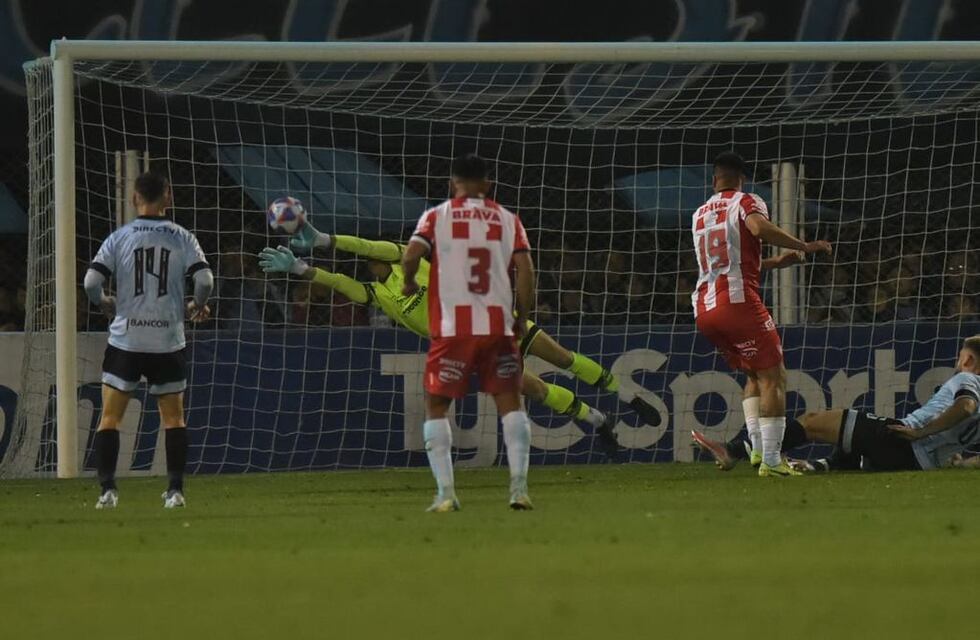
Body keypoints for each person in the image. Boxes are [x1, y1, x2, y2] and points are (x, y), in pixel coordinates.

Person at [406, 153, 534, 511]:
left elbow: (410, 254)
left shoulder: (436, 216)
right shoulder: (508, 220)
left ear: (453, 183)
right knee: (510, 404)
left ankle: (446, 494)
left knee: (436, 406)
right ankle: (519, 489)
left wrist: (409, 281)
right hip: (498, 327)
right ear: (487, 184)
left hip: (453, 332)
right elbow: (526, 270)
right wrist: (522, 317)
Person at [691, 151, 831, 477]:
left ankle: (756, 450)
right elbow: (757, 227)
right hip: (738, 305)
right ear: (743, 178)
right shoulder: (747, 200)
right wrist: (803, 245)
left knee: (754, 375)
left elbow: (725, 264)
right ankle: (772, 460)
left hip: (704, 309)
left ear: (714, 179)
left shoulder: (699, 213)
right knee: (774, 376)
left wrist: (777, 262)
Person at [83, 172, 213, 509]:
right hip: (166, 340)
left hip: (127, 339)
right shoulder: (183, 237)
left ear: (133, 199)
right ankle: (175, 492)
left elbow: (90, 281)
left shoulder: (119, 237)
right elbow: (205, 279)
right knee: (174, 419)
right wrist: (197, 305)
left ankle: (108, 491)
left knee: (110, 417)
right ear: (167, 198)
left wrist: (105, 302)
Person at [693, 335, 980, 473]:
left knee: (813, 422)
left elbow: (965, 406)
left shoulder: (968, 380)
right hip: (921, 464)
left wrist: (922, 432)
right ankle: (816, 466)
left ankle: (737, 451)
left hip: (906, 440)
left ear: (968, 360)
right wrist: (964, 462)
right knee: (852, 452)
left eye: (960, 357)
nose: (958, 362)